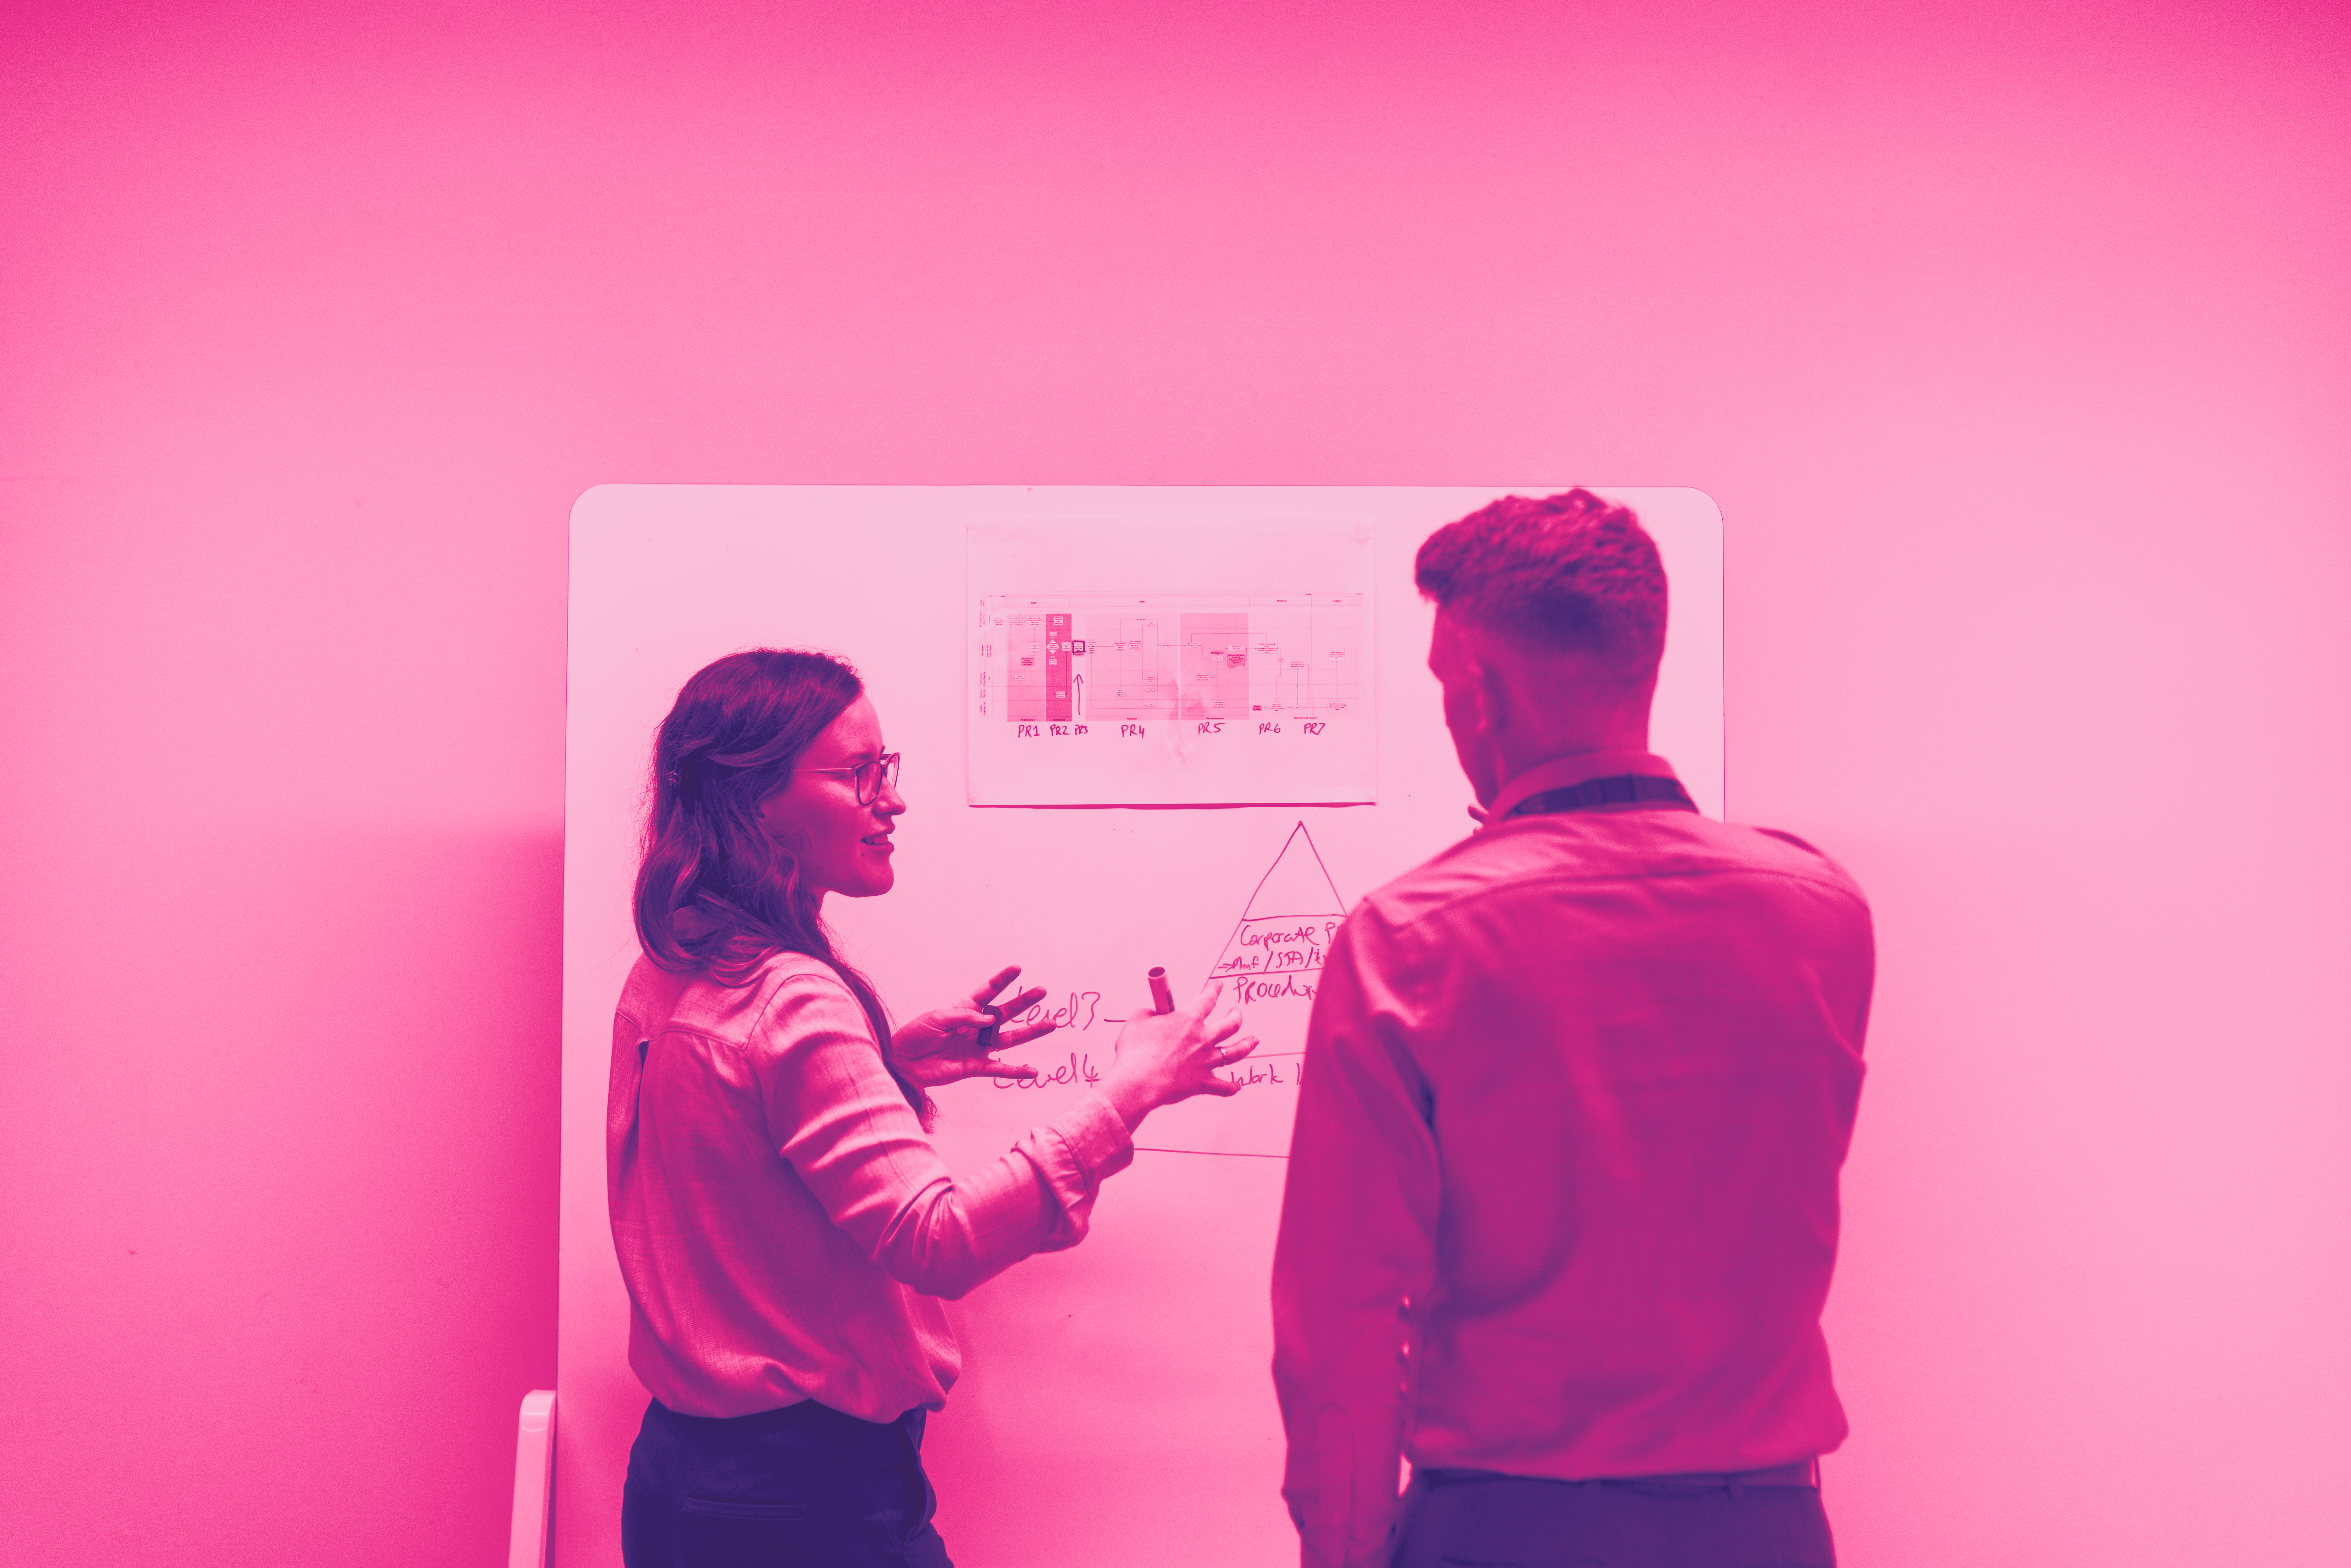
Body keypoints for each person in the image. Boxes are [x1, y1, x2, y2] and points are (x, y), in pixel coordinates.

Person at [1271, 491, 1874, 1568]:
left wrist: (1344, 1549)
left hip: (1511, 1529)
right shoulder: (1823, 914)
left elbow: (1347, 1327)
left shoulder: (1409, 943)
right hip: (1767, 1530)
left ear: (1482, 699)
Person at [610, 647, 1255, 1567]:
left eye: (888, 769)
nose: (891, 800)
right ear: (755, 802)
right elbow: (938, 1241)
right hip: (805, 1506)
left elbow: (728, 1148)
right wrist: (1132, 1091)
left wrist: (884, 1064)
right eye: (856, 774)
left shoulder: (676, 964)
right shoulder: (792, 997)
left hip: (687, 1484)